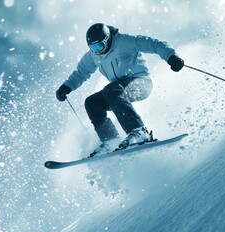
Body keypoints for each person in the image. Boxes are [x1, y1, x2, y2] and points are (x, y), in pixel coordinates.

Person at [56, 23, 184, 157]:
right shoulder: (94, 56)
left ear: (107, 39)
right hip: (117, 91)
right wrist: (66, 87)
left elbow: (154, 44)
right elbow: (81, 72)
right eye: (92, 48)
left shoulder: (123, 41)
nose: (97, 51)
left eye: (99, 46)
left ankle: (139, 132)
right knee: (92, 102)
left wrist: (171, 57)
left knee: (111, 90)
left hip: (141, 82)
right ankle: (110, 141)